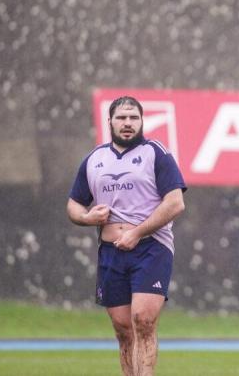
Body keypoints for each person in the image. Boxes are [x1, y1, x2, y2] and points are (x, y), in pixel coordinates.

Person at [67, 96, 186, 376]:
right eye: (122, 118)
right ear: (110, 121)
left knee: (143, 320)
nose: (128, 123)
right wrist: (87, 218)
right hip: (111, 252)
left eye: (134, 118)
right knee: (123, 329)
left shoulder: (156, 154)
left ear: (142, 121)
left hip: (151, 247)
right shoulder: (94, 159)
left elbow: (175, 203)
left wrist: (137, 232)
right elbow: (73, 204)